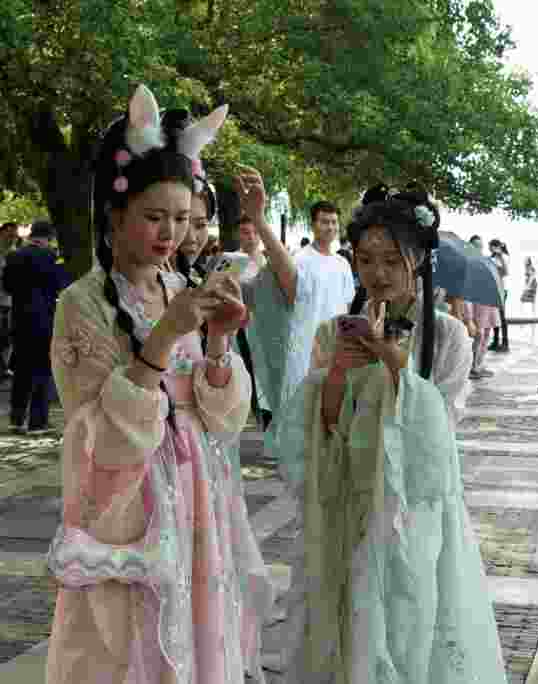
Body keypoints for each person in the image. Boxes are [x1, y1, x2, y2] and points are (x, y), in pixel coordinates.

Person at [44, 84, 272, 683]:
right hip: (132, 502)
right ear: (114, 214)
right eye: (154, 217)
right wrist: (162, 341)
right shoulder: (81, 304)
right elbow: (95, 438)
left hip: (196, 488)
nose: (170, 233)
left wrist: (220, 343)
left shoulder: (180, 290)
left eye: (182, 218)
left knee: (198, 633)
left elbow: (221, 417)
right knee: (128, 643)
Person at [270, 185, 507, 682]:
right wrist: (337, 372)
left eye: (392, 261)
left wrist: (395, 364)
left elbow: (437, 433)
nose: (378, 274)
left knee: (410, 618)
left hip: (412, 508)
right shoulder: (334, 333)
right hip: (348, 500)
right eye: (366, 259)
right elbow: (322, 429)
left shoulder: (447, 335)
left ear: (418, 261)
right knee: (345, 617)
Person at [240, 196, 355, 432]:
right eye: (325, 222)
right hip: (304, 346)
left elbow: (347, 305)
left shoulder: (342, 263)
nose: (330, 227)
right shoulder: (299, 260)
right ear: (313, 225)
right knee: (301, 415)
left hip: (335, 346)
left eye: (334, 222)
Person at [2, 220, 72, 434]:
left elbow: (7, 287)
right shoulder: (51, 257)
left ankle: (16, 418)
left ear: (32, 235)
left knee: (21, 370)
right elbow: (61, 286)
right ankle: (37, 422)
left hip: (19, 319)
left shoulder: (13, 256)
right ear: (48, 237)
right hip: (44, 320)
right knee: (42, 370)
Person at [466, 235, 500, 380]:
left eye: (480, 246)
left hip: (488, 303)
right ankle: (473, 366)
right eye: (475, 245)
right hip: (476, 304)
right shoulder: (467, 262)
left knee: (486, 335)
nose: (478, 248)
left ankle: (479, 364)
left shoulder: (486, 261)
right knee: (478, 336)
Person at [0, 221, 19, 380]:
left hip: (8, 302)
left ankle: (5, 367)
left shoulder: (14, 253)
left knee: (7, 337)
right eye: (9, 234)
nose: (12, 237)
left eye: (14, 235)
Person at [488, 238, 511, 352]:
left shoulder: (504, 257)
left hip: (502, 290)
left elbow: (505, 272)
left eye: (491, 246)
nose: (490, 249)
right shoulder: (492, 258)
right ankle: (496, 341)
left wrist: (500, 255)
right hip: (493, 290)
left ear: (496, 246)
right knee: (495, 316)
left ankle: (505, 343)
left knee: (501, 316)